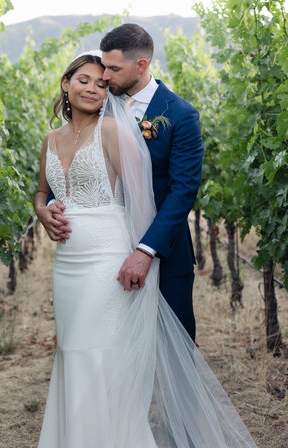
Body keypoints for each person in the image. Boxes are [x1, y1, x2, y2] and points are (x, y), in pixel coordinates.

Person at [34, 52, 258, 448]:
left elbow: (142, 200)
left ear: (109, 94)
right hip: (67, 264)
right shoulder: (50, 140)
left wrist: (143, 255)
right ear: (66, 84)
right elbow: (41, 193)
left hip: (107, 259)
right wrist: (43, 211)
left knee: (101, 354)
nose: (92, 88)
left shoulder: (114, 132)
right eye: (83, 80)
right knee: (71, 350)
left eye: (102, 84)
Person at [38, 23, 203, 341]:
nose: (106, 76)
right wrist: (45, 207)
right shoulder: (95, 107)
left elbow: (183, 191)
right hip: (100, 256)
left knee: (171, 349)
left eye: (113, 69)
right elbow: (75, 174)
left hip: (162, 253)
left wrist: (145, 251)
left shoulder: (180, 115)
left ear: (141, 65)